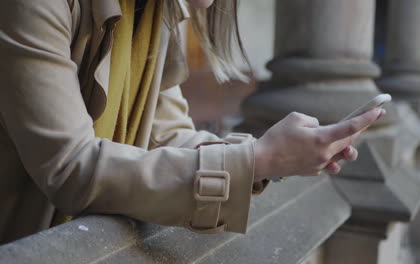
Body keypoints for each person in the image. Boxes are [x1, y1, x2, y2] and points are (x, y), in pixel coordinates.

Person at [0, 0, 384, 244]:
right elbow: (70, 168)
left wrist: (263, 158)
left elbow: (167, 136)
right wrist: (262, 159)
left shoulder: (157, 12)